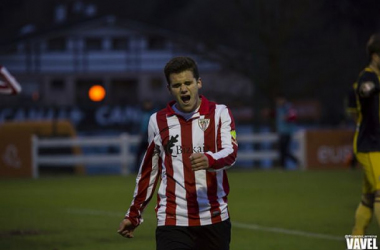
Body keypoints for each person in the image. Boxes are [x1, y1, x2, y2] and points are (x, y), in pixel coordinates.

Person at [117, 56, 238, 250]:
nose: (183, 89)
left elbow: (231, 153)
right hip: (172, 219)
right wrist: (134, 214)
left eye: (188, 83)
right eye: (177, 85)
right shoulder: (157, 121)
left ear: (199, 83)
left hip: (214, 217)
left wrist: (209, 159)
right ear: (169, 89)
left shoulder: (220, 113)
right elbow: (149, 172)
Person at [351, 33, 380, 235]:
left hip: (375, 144)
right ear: (375, 56)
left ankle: (356, 244)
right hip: (370, 144)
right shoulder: (368, 76)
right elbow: (365, 90)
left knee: (368, 199)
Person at [275, 95, 299, 169]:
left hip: (287, 132)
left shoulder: (288, 107)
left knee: (285, 150)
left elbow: (294, 116)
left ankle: (296, 161)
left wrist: (287, 118)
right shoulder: (279, 108)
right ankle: (283, 166)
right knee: (282, 149)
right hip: (281, 131)